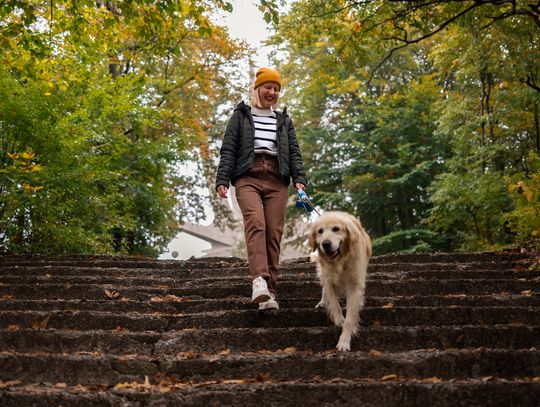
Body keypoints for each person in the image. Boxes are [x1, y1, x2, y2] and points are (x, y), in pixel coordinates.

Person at [215, 67, 308, 310]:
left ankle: (270, 292)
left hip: (278, 178)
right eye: (268, 87)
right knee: (256, 223)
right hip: (248, 176)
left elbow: (294, 152)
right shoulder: (241, 116)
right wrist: (222, 179)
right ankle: (259, 281)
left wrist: (300, 179)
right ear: (257, 88)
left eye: (276, 89)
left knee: (274, 232)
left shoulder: (284, 120)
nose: (272, 92)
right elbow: (228, 149)